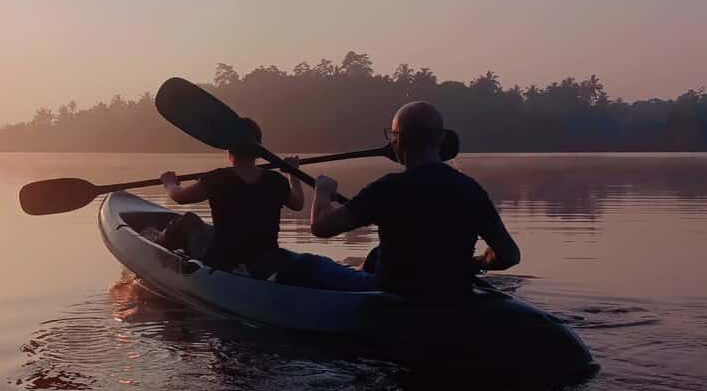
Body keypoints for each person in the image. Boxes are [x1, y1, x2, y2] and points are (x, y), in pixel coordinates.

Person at [309, 101, 520, 297]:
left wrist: (322, 191)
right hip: (454, 295)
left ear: (399, 141)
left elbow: (321, 227)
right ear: (440, 140)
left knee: (306, 265)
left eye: (392, 135)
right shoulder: (471, 190)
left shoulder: (388, 189)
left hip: (393, 299)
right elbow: (509, 255)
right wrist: (477, 262)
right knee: (376, 255)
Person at [157, 118, 304, 279]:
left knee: (187, 221)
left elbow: (179, 197)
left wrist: (169, 183)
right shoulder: (276, 181)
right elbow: (298, 203)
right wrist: (293, 173)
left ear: (229, 150)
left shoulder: (217, 179)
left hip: (223, 262)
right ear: (258, 151)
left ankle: (155, 246)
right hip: (266, 262)